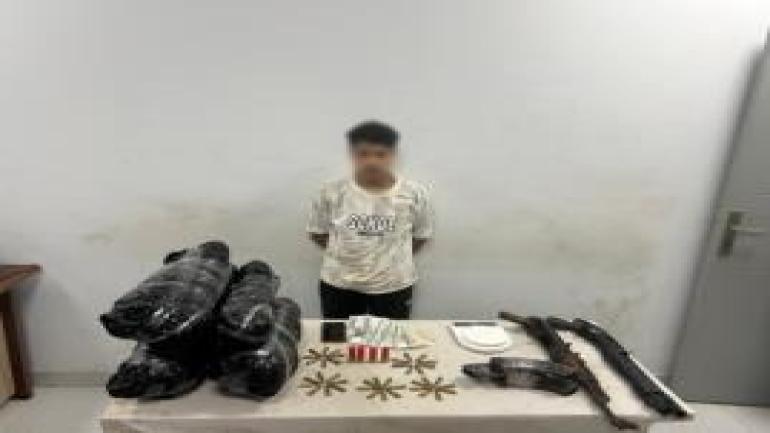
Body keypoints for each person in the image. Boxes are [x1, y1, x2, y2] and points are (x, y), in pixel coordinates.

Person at [307, 120, 433, 319]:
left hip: (393, 286)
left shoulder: (414, 193)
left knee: (390, 339)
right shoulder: (331, 192)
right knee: (340, 338)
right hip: (339, 284)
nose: (372, 161)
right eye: (363, 154)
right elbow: (317, 232)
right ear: (353, 156)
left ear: (392, 155)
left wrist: (389, 258)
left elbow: (421, 235)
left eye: (380, 154)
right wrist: (349, 255)